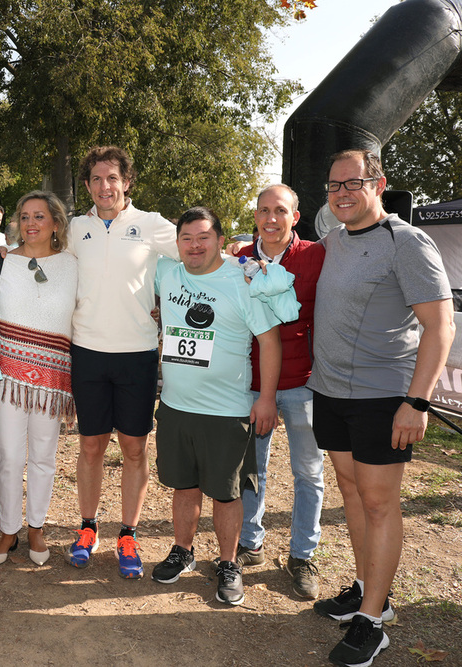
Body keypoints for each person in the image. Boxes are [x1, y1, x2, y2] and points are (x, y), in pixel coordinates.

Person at [0, 146, 178, 578]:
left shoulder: (151, 225)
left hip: (138, 354)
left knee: (133, 448)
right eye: (95, 179)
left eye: (112, 178)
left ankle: (127, 533)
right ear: (86, 185)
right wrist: (1, 254)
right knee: (90, 446)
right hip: (86, 354)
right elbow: (39, 250)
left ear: (126, 182)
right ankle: (87, 528)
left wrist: (242, 265)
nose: (104, 186)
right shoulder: (75, 228)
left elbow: (195, 254)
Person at [309, 150, 453, 667]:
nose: (342, 193)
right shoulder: (336, 240)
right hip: (329, 392)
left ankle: (372, 623)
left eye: (353, 183)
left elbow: (440, 328)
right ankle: (371, 591)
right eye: (333, 186)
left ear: (378, 183)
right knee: (350, 489)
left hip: (381, 398)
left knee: (378, 503)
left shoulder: (407, 241)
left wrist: (417, 402)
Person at [150, 206, 281, 608]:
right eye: (186, 238)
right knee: (183, 486)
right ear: (177, 243)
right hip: (175, 406)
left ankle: (228, 563)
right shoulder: (166, 273)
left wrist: (267, 398)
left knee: (227, 493)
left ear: (220, 240)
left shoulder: (243, 279)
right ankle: (183, 551)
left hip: (227, 411)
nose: (194, 245)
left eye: (203, 236)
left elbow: (271, 343)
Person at [233, 184, 327, 600]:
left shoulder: (317, 256)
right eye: (263, 211)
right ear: (255, 216)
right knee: (252, 468)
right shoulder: (237, 260)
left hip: (305, 383)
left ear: (295, 216)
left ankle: (302, 555)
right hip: (253, 384)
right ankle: (250, 541)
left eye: (279, 211)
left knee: (308, 472)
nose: (271, 219)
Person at [0, 191, 77, 568]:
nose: (31, 223)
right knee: (9, 456)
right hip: (7, 378)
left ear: (55, 222)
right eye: (24, 216)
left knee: (44, 457)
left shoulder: (72, 264)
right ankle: (8, 531)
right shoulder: (0, 263)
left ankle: (36, 527)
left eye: (40, 216)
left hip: (51, 379)